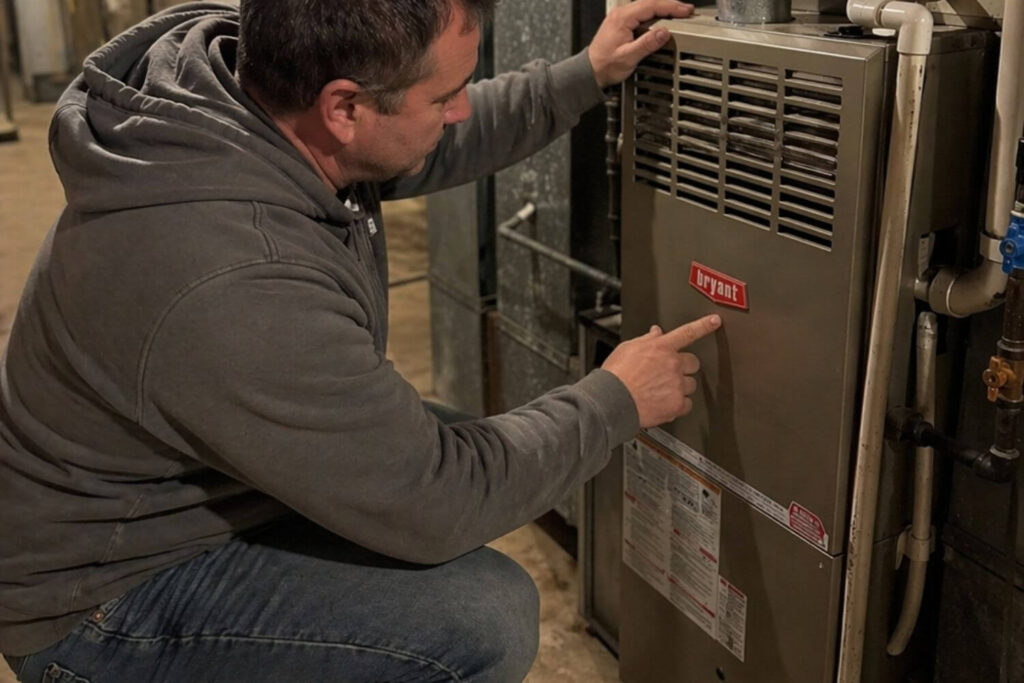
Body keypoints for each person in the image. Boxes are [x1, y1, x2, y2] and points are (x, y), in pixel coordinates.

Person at [0, 0, 717, 680]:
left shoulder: (251, 80)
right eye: (445, 97)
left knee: (489, 450)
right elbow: (438, 498)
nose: (459, 108)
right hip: (101, 594)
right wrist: (617, 397)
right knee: (481, 614)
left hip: (183, 485)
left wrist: (585, 73)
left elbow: (419, 140)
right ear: (344, 107)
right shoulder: (237, 278)